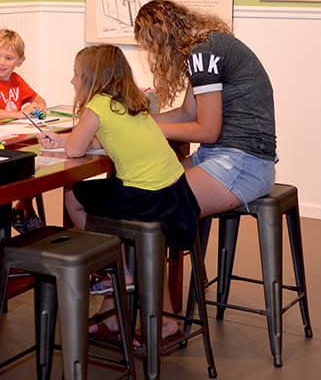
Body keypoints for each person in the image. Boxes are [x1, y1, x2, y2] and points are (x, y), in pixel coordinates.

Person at [38, 44, 200, 337]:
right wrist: (64, 142)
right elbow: (107, 142)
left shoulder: (96, 105)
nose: (72, 81)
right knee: (107, 200)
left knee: (73, 196)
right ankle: (138, 297)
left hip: (145, 197)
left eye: (76, 74)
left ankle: (110, 266)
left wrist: (66, 144)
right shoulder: (132, 102)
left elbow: (76, 150)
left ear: (91, 78)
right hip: (175, 193)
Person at [133, 0, 277, 218]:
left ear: (160, 38)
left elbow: (208, 131)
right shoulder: (205, 47)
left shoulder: (203, 54)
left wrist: (152, 130)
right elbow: (187, 113)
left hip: (242, 163)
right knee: (144, 188)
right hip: (226, 156)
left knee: (154, 204)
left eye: (150, 47)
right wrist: (140, 122)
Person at [0, 28, 47, 231]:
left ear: (20, 61)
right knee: (17, 171)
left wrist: (37, 108)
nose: (1, 62)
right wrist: (18, 114)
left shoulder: (16, 80)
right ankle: (22, 213)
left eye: (8, 58)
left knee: (33, 168)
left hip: (12, 141)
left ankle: (23, 208)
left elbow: (39, 100)